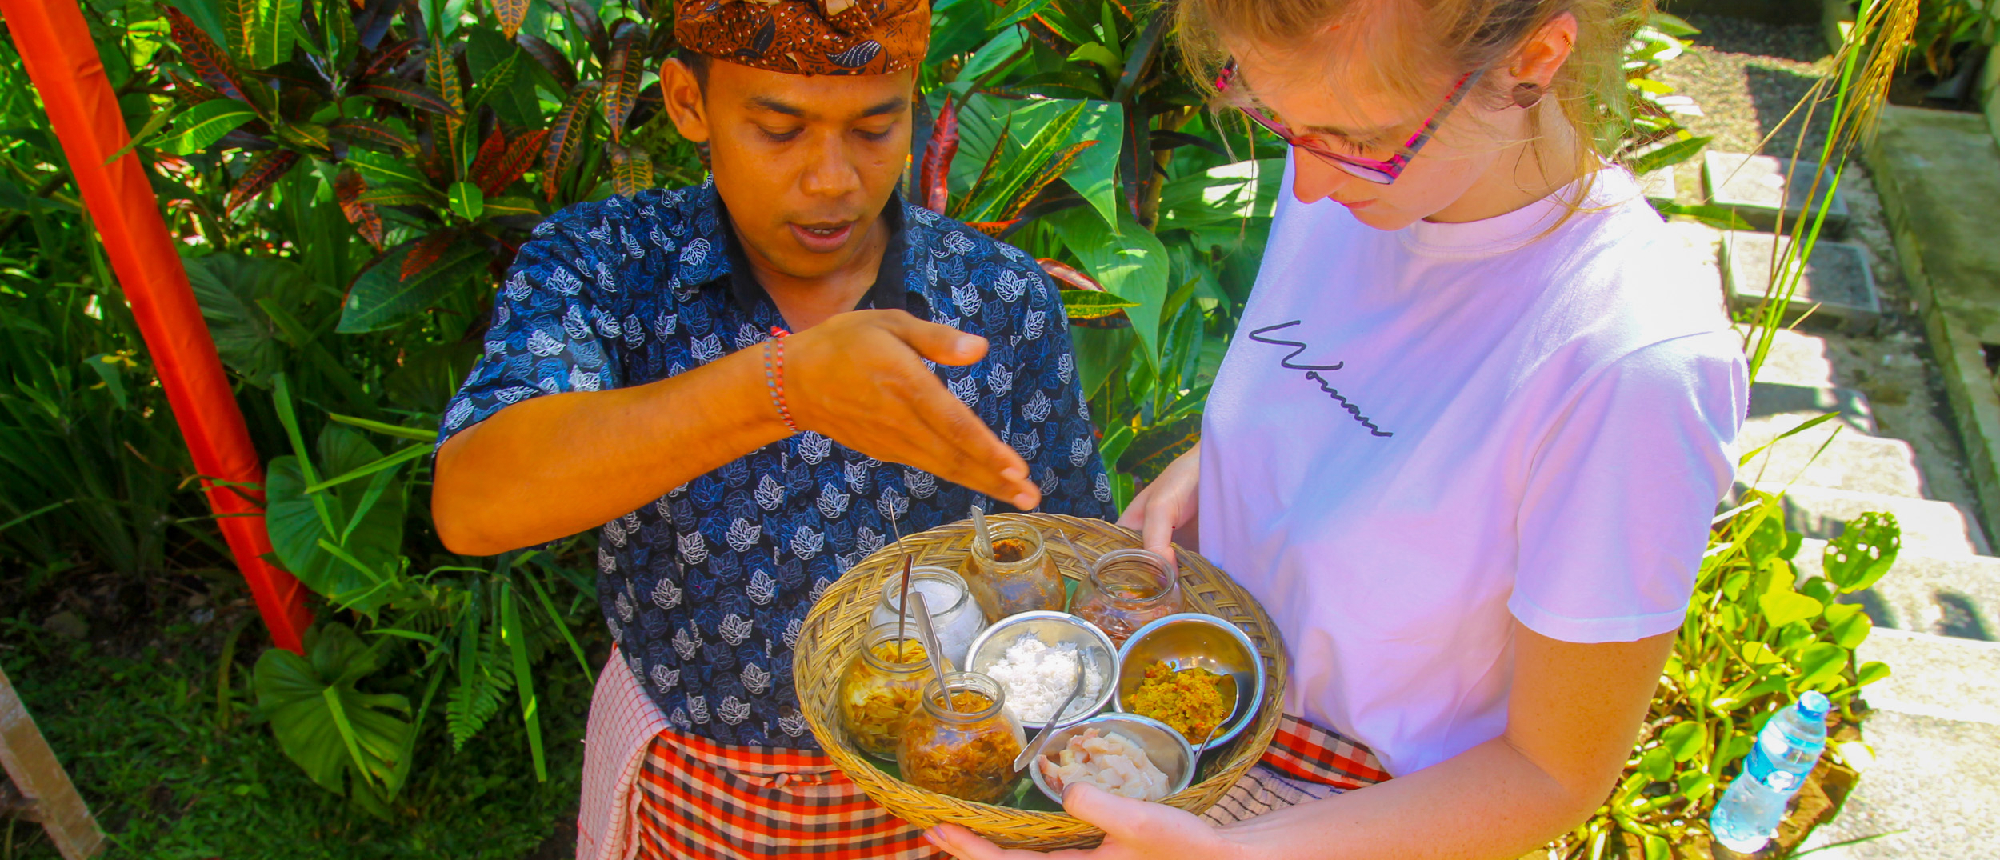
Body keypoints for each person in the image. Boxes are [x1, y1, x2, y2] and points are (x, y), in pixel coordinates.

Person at [926, 0, 1747, 858]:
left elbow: (1553, 775)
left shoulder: (1630, 362)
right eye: (1274, 119)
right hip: (1189, 735)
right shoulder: (1353, 173)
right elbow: (1389, 420)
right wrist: (1236, 459)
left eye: (1358, 138)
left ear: (1534, 59)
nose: (1309, 182)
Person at [429, 0, 1115, 856]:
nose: (832, 178)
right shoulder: (605, 263)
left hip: (944, 788)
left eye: (875, 127)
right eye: (780, 129)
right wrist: (780, 389)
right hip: (695, 784)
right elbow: (474, 500)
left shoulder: (999, 295)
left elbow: (1077, 553)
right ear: (688, 103)